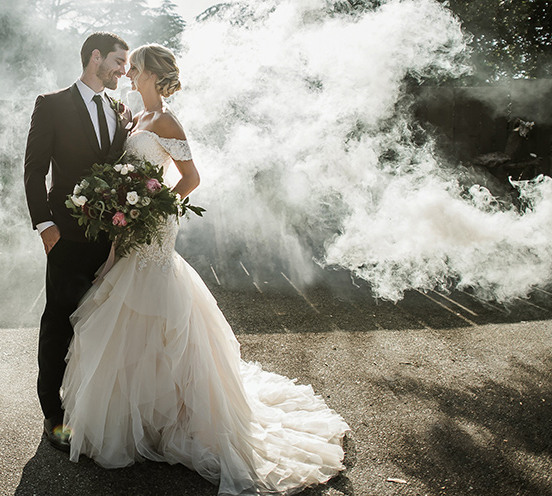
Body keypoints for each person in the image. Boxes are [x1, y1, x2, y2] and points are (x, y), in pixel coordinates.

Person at [61, 44, 350, 495]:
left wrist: (156, 207)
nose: (129, 74)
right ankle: (144, 419)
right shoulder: (136, 119)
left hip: (153, 230)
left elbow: (191, 177)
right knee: (126, 311)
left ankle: (175, 416)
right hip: (131, 228)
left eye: (134, 68)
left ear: (151, 75)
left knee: (157, 309)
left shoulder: (167, 121)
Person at [23, 31, 132, 451]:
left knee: (101, 324)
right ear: (95, 57)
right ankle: (54, 414)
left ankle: (90, 406)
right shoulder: (51, 105)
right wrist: (45, 227)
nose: (124, 70)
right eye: (119, 62)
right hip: (66, 236)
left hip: (112, 240)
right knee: (59, 321)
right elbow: (34, 172)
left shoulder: (120, 109)